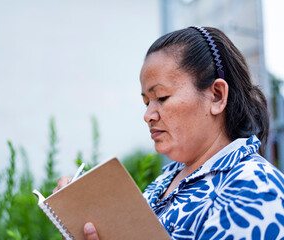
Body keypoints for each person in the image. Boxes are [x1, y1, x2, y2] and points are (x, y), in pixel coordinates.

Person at [54, 26, 284, 239]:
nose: (148, 115)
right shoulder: (163, 183)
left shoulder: (256, 186)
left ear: (216, 95)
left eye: (162, 98)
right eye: (146, 103)